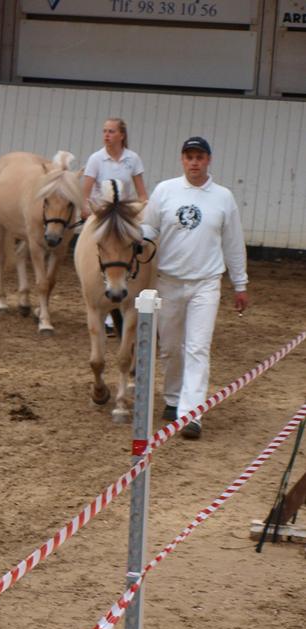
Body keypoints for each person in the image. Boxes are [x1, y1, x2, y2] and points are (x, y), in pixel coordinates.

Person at [140, 136, 249, 440]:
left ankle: (192, 414)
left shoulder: (223, 197)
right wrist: (134, 241)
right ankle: (174, 399)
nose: (194, 162)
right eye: (189, 157)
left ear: (208, 160)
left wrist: (240, 283)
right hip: (169, 281)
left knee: (198, 348)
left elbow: (233, 243)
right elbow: (149, 228)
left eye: (200, 157)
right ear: (182, 160)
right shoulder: (165, 191)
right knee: (170, 348)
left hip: (206, 284)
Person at [81, 118, 147, 336]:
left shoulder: (133, 159)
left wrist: (143, 210)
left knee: (142, 244)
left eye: (111, 131)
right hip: (102, 214)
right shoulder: (96, 159)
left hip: (125, 215)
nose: (106, 135)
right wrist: (89, 211)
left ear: (121, 135)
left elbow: (141, 192)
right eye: (104, 131)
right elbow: (86, 192)